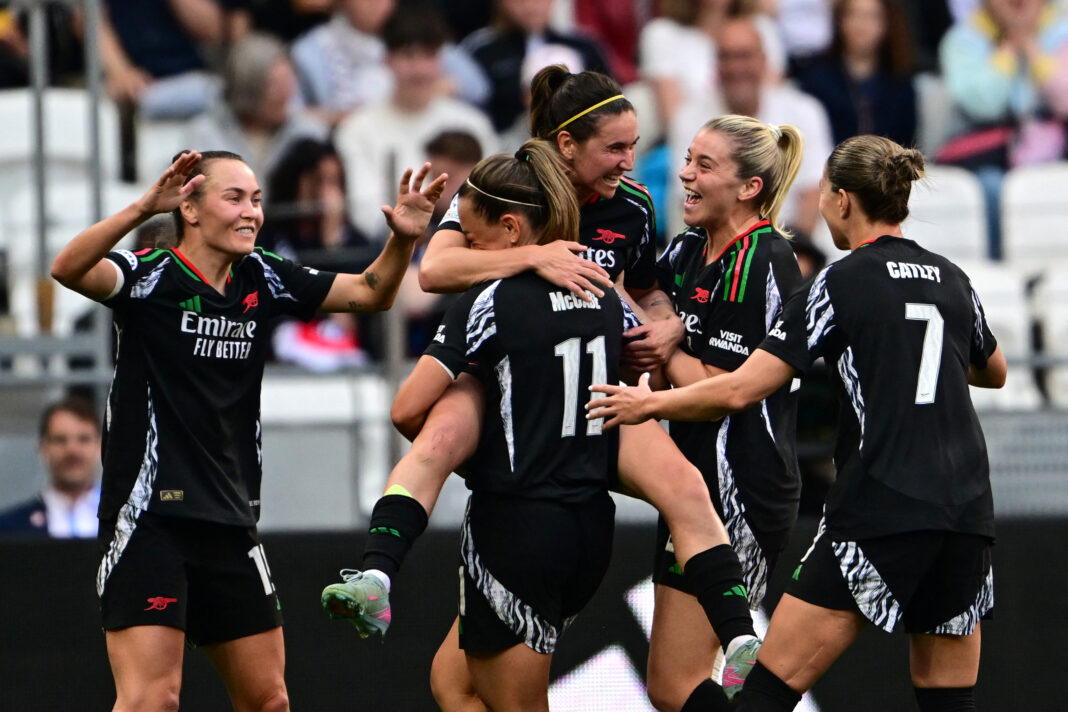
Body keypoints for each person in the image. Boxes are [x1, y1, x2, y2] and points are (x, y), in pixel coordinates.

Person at [323, 67, 762, 708]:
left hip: (588, 400)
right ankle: (377, 573)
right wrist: (533, 257)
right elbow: (439, 266)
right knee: (453, 681)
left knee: (683, 487)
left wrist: (665, 325)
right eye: (615, 147)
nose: (630, 161)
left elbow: (648, 291)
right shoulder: (507, 187)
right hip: (512, 378)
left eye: (633, 145)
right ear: (565, 144)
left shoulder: (631, 207)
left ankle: (740, 637)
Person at [588, 135, 1007, 712]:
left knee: (763, 693)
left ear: (841, 200)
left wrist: (645, 407)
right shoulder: (952, 277)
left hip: (880, 507)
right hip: (966, 511)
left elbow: (739, 387)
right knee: (947, 701)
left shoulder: (838, 281)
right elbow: (995, 372)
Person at [49, 149, 446, 711]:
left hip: (230, 519)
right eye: (234, 197)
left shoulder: (263, 273)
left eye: (257, 200)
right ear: (190, 207)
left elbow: (370, 293)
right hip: (150, 521)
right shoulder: (148, 276)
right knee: (152, 700)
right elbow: (67, 267)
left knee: (270, 701)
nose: (252, 213)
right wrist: (143, 207)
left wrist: (403, 239)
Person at [331, 139, 628, 711]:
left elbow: (407, 408)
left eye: (472, 235)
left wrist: (479, 441)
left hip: (518, 526)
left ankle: (377, 571)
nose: (468, 248)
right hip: (591, 523)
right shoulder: (602, 291)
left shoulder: (492, 300)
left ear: (513, 231)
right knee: (455, 684)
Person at [639, 115, 804, 712]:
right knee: (673, 684)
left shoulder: (765, 258)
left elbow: (719, 388)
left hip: (739, 487)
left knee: (679, 683)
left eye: (704, 165)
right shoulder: (687, 248)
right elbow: (654, 340)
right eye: (688, 158)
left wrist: (669, 344)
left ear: (749, 187)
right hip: (690, 484)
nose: (684, 173)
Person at [334, 6, 498, 242]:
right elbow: (366, 211)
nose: (420, 70)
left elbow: (496, 195)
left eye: (429, 55)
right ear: (387, 60)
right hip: (394, 249)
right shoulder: (357, 129)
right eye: (409, 55)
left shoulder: (473, 123)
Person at [667, 15, 833, 239]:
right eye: (726, 57)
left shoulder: (804, 111)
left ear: (763, 61)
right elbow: (688, 196)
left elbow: (814, 193)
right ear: (715, 65)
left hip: (793, 245)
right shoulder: (690, 118)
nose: (735, 67)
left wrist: (795, 260)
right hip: (717, 250)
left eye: (744, 56)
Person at [937, 0, 1068, 259]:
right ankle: (998, 270)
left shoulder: (1061, 32)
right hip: (991, 158)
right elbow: (983, 105)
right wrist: (1008, 49)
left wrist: (1031, 47)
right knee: (991, 187)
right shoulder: (963, 40)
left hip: (1055, 154)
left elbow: (1064, 100)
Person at [184, 32, 329, 187]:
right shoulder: (204, 136)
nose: (286, 92)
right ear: (248, 89)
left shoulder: (308, 134)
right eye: (275, 84)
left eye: (288, 79)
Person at [461, 0, 613, 132]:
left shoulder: (583, 45)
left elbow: (609, 97)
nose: (529, 6)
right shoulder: (481, 49)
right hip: (505, 145)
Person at [795, 0, 917, 147]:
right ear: (840, 21)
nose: (862, 25)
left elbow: (906, 141)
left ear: (887, 24)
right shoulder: (816, 78)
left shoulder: (900, 81)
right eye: (854, 15)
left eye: (872, 16)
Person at [0, 396, 102, 538]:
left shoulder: (129, 523)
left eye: (84, 439)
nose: (72, 450)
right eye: (60, 440)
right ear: (42, 448)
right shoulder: (10, 529)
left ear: (100, 447)